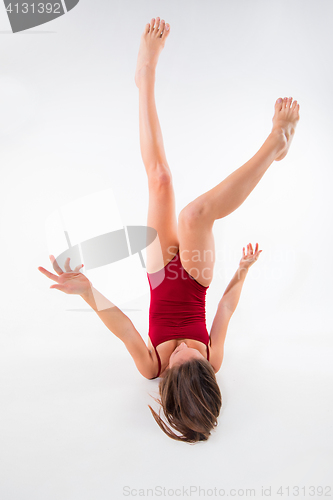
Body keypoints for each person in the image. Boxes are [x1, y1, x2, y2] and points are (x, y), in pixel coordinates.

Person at [38, 17, 300, 443]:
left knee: (160, 178)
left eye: (177, 361)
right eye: (189, 358)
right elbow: (226, 310)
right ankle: (276, 145)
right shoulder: (211, 360)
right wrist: (242, 272)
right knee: (196, 214)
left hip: (161, 273)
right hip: (195, 277)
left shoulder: (151, 367)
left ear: (167, 384)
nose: (181, 352)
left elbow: (122, 325)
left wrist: (87, 290)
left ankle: (144, 76)